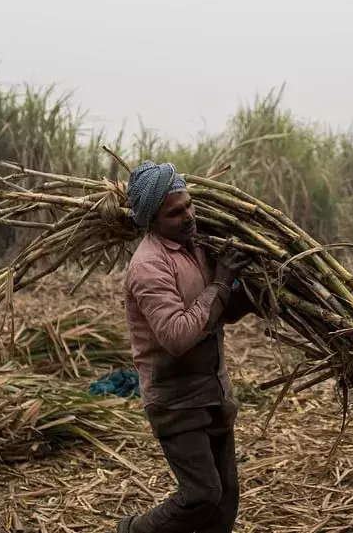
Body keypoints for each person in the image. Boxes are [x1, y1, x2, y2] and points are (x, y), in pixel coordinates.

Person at [117, 160, 258, 533]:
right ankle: (132, 530)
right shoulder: (149, 266)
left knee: (225, 501)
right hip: (175, 400)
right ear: (151, 220)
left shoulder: (197, 246)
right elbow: (178, 335)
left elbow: (217, 315)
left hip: (213, 390)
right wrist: (223, 284)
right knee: (201, 495)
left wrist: (252, 294)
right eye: (175, 212)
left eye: (189, 205)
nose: (189, 216)